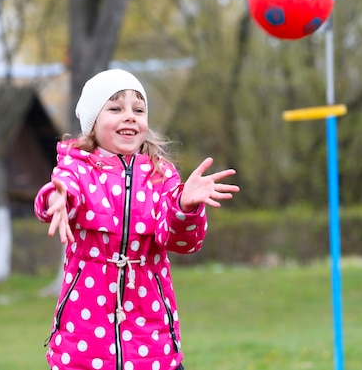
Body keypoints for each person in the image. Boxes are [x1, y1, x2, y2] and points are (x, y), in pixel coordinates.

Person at [34, 68, 240, 370]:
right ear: (91, 124)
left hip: (150, 329)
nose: (129, 116)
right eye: (115, 108)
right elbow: (63, 190)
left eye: (138, 109)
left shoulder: (161, 174)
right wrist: (57, 199)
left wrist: (184, 205)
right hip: (86, 332)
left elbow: (181, 241)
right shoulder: (76, 169)